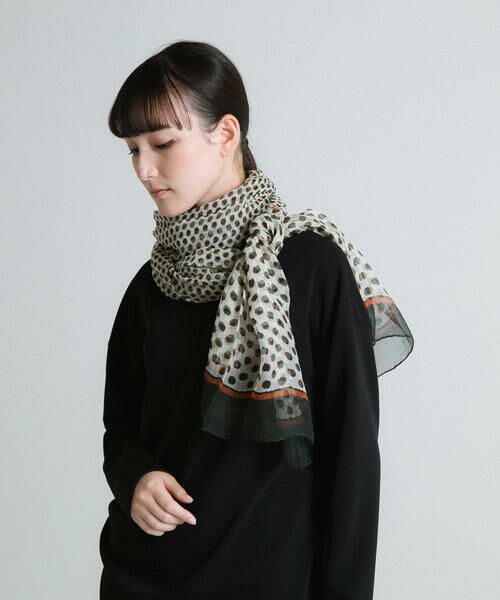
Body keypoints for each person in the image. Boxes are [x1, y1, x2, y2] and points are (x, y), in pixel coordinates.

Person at [98, 40, 414, 600]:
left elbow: (353, 464)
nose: (144, 169)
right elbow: (120, 430)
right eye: (132, 150)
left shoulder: (311, 267)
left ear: (226, 134)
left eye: (163, 143)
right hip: (142, 578)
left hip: (270, 582)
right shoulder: (152, 285)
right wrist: (135, 479)